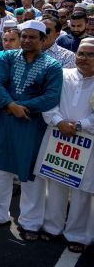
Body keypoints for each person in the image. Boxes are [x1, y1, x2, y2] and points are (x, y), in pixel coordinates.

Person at [0, 20, 63, 234]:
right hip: (6, 119)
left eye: (33, 37)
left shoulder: (52, 66)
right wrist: (10, 105)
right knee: (0, 169)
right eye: (24, 37)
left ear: (43, 39)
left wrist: (21, 107)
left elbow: (51, 97)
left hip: (31, 125)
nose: (27, 41)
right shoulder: (9, 58)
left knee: (29, 174)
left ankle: (30, 223)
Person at [38, 39, 94, 253]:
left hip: (87, 141)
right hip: (58, 136)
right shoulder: (62, 75)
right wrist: (58, 122)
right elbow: (48, 102)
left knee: (82, 189)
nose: (83, 58)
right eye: (81, 53)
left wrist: (79, 126)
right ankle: (52, 227)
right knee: (56, 183)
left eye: (90, 54)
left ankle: (77, 234)